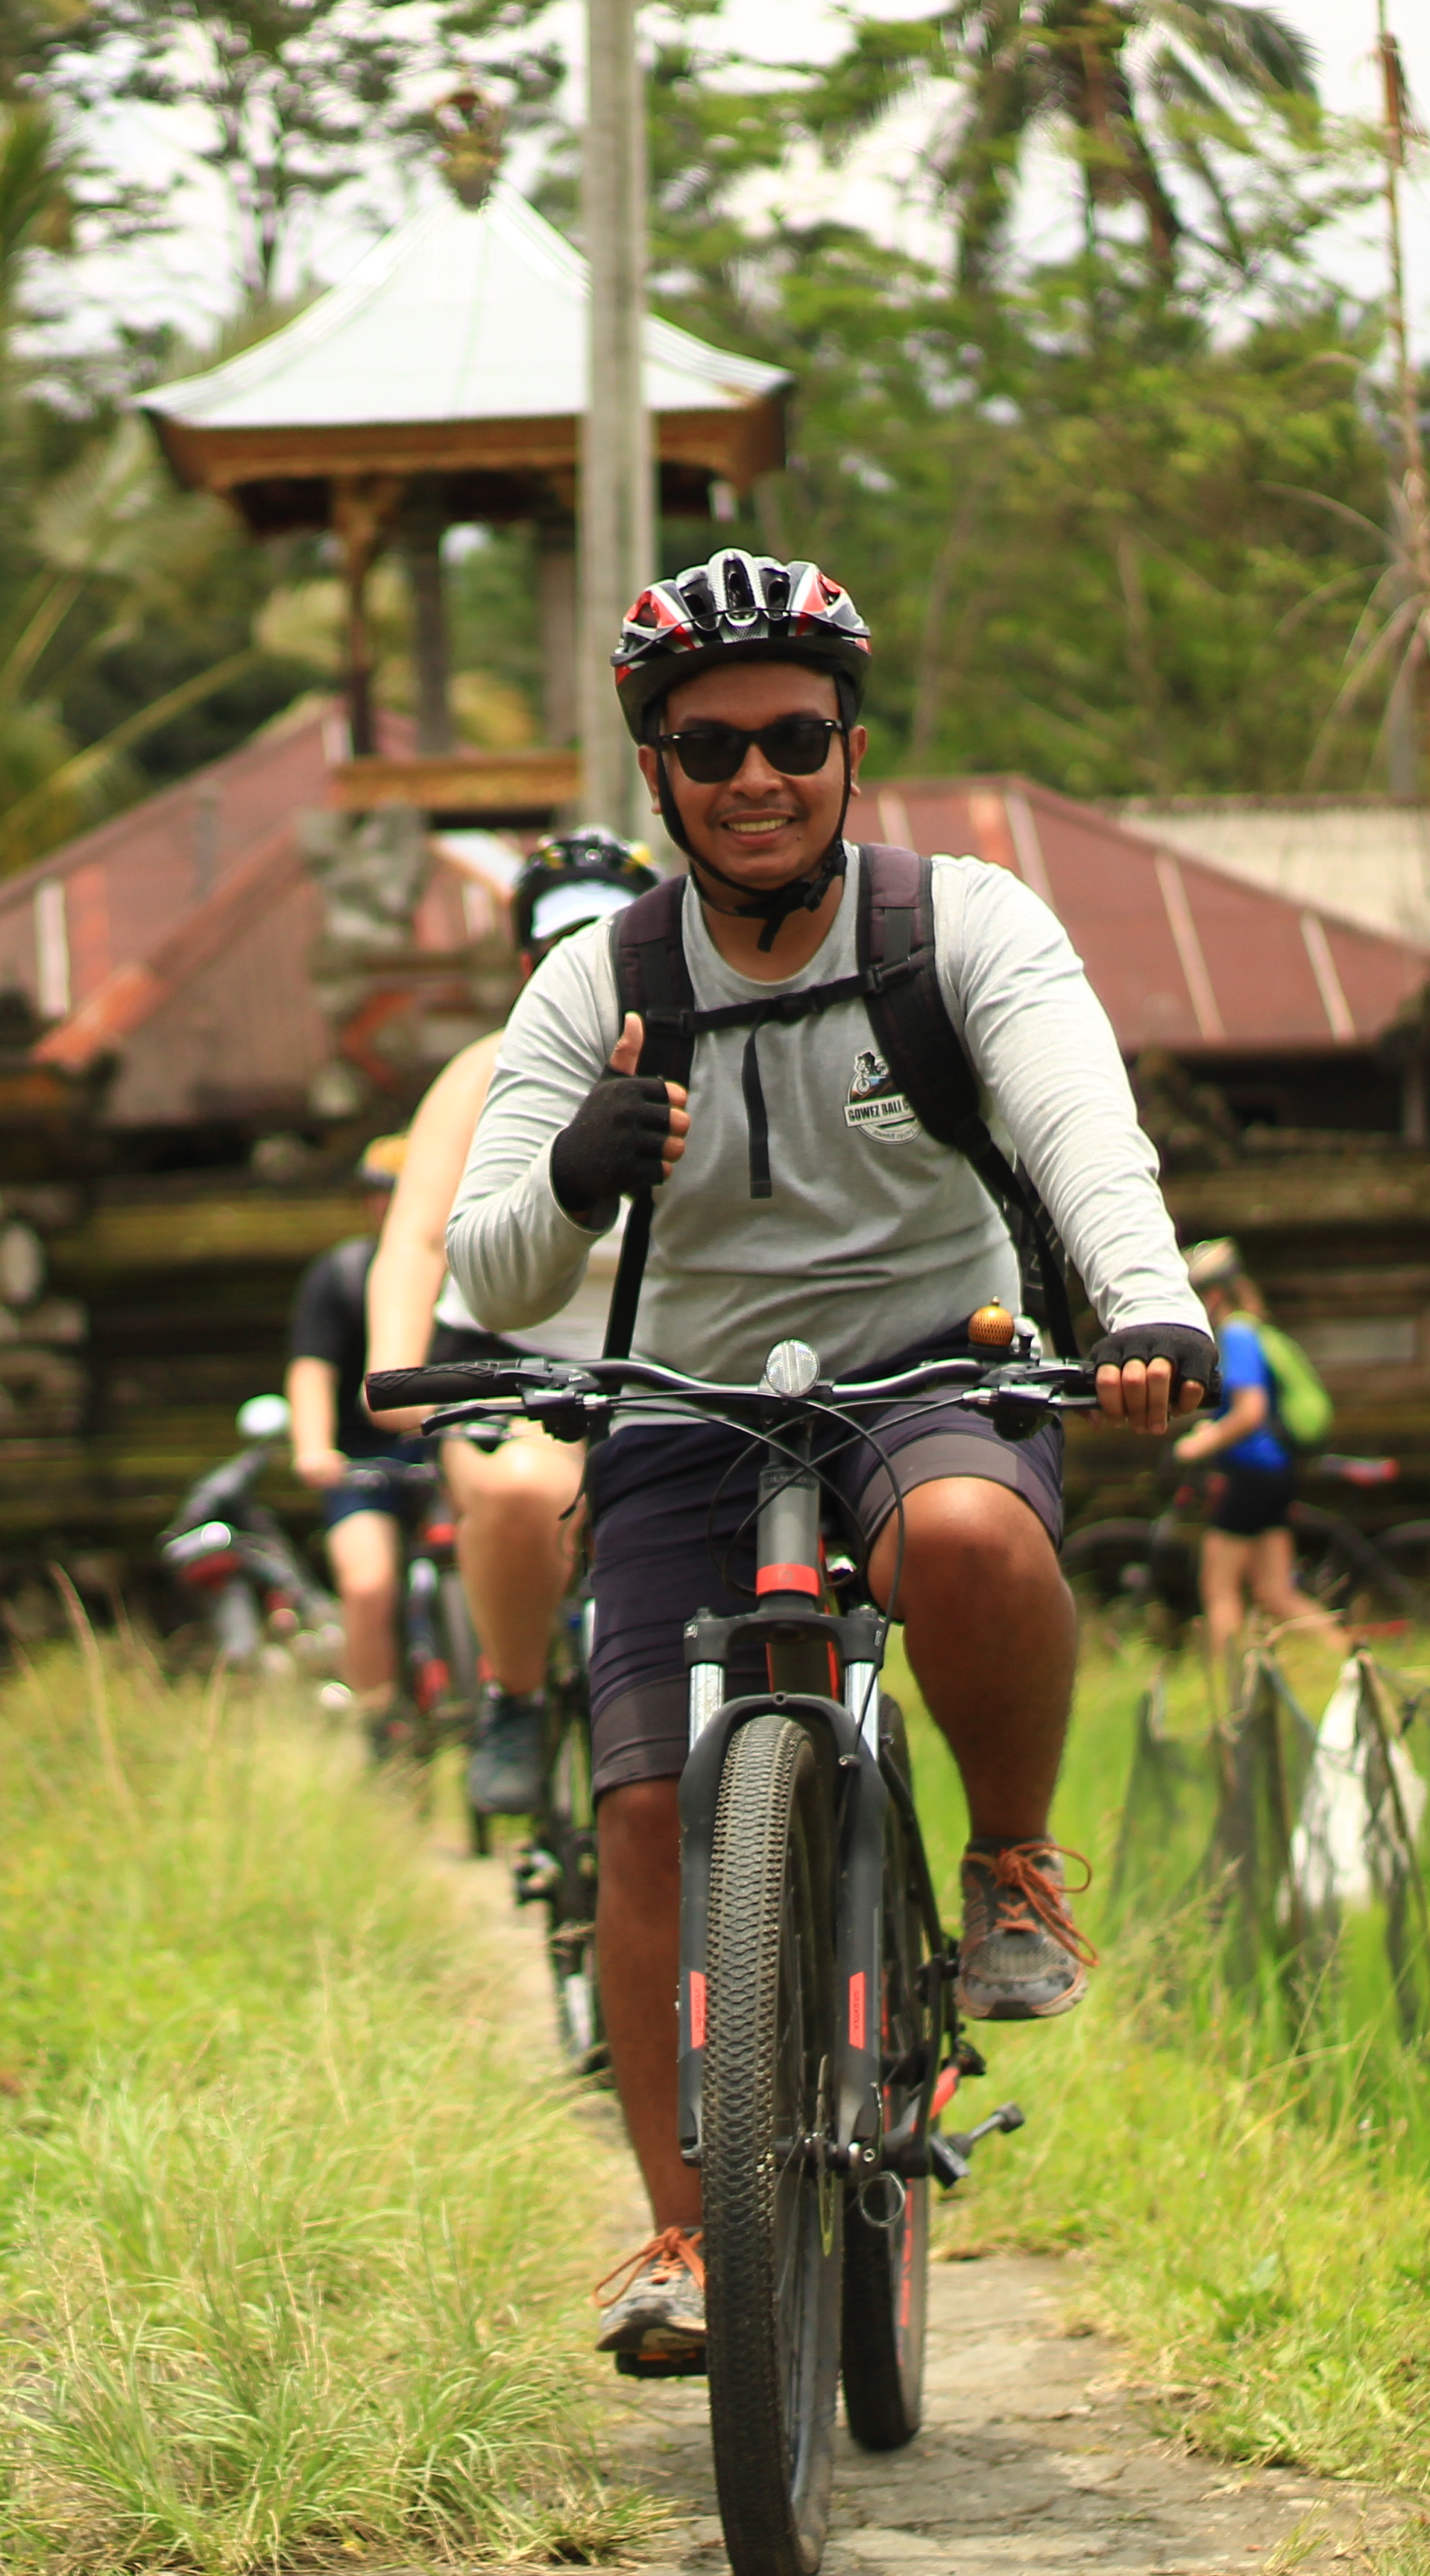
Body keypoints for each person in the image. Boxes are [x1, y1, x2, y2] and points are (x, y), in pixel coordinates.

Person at [441, 549, 1214, 2364]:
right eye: (711, 749)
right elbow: (490, 1266)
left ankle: (1010, 1859)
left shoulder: (961, 928)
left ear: (850, 747)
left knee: (958, 1533)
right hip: (679, 1404)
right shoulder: (592, 982)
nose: (756, 778)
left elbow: (1082, 1129)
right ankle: (680, 2237)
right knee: (639, 1807)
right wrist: (569, 1171)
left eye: (794, 736)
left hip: (924, 1365)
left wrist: (1144, 1306)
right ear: (657, 777)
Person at [365, 832, 658, 1817]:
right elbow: (416, 1240)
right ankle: (517, 1696)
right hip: (509, 1361)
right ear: (528, 962)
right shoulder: (483, 1073)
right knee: (525, 1495)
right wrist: (392, 1370)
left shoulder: (712, 1054)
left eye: (604, 942)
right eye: (559, 945)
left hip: (669, 1354)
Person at [285, 1139, 422, 1722]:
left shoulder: (471, 1271)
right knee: (367, 1587)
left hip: (456, 1451)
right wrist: (314, 1449)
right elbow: (312, 1371)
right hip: (366, 1465)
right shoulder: (339, 1277)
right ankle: (377, 1721)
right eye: (381, 1195)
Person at [1168, 1240, 1346, 1684]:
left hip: (1249, 1474)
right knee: (1274, 1592)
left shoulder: (1238, 1334)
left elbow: (1250, 1411)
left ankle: (1228, 1691)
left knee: (1220, 1590)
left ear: (1212, 1296)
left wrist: (1201, 1443)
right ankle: (1352, 1662)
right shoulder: (1255, 1328)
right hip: (1274, 1473)